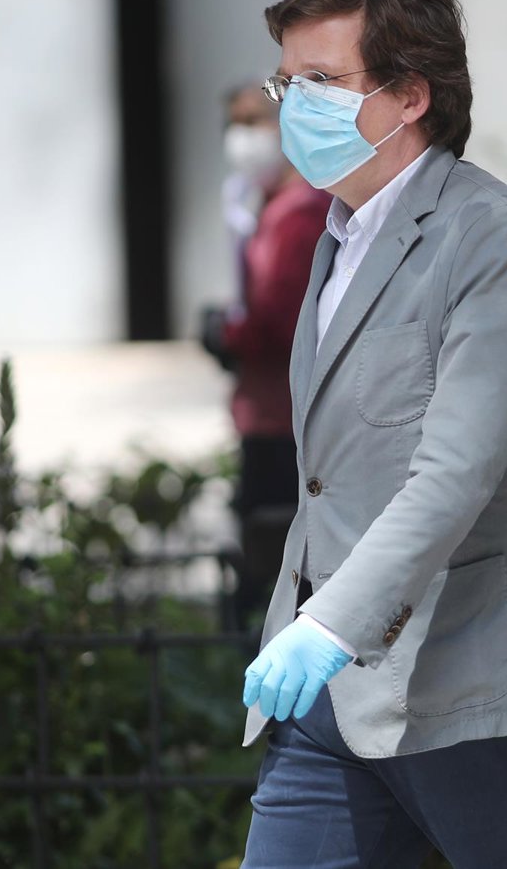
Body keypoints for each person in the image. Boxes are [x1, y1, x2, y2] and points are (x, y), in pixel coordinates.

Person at [238, 0, 507, 868]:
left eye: (321, 81)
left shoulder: (489, 235)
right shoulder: (337, 234)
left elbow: (455, 472)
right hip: (327, 696)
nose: (296, 106)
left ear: (411, 95)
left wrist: (329, 626)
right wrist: (312, 627)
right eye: (287, 83)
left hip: (459, 679)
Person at [200, 83, 333, 628]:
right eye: (234, 124)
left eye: (255, 121)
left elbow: (284, 323)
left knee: (276, 572)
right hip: (269, 411)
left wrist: (228, 335)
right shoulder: (271, 206)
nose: (242, 137)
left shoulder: (299, 212)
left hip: (287, 420)